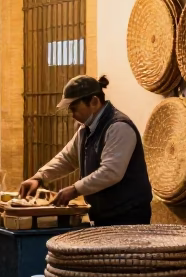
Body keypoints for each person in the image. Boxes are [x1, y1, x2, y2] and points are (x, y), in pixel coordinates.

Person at [19, 75, 153, 227]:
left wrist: (75, 189)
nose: (72, 114)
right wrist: (39, 177)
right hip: (103, 214)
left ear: (94, 102)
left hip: (127, 216)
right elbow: (67, 158)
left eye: (74, 108)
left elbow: (111, 172)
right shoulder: (85, 129)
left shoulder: (119, 127)